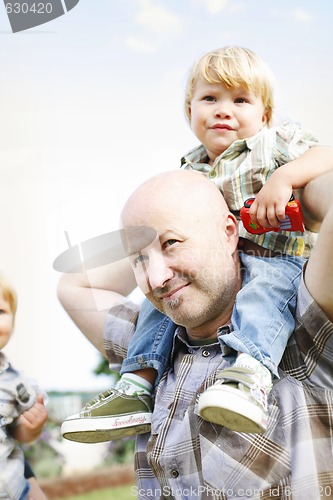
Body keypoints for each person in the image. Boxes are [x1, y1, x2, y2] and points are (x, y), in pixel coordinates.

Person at [60, 46, 333, 443]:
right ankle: (137, 385)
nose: (223, 110)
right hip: (220, 266)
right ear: (189, 112)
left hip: (277, 261)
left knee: (263, 295)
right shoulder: (191, 170)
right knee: (160, 299)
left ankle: (250, 374)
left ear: (265, 116)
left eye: (240, 99)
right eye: (210, 98)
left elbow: (326, 156)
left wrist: (287, 179)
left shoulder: (272, 145)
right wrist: (156, 250)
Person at [58, 169, 333, 497]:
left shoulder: (299, 324)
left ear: (229, 232)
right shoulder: (148, 350)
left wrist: (276, 197)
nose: (156, 279)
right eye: (140, 260)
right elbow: (73, 284)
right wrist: (144, 234)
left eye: (172, 243)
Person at [0, 274, 48, 500]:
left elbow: (16, 433)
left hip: (15, 490)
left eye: (0, 312)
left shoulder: (17, 383)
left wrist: (31, 427)